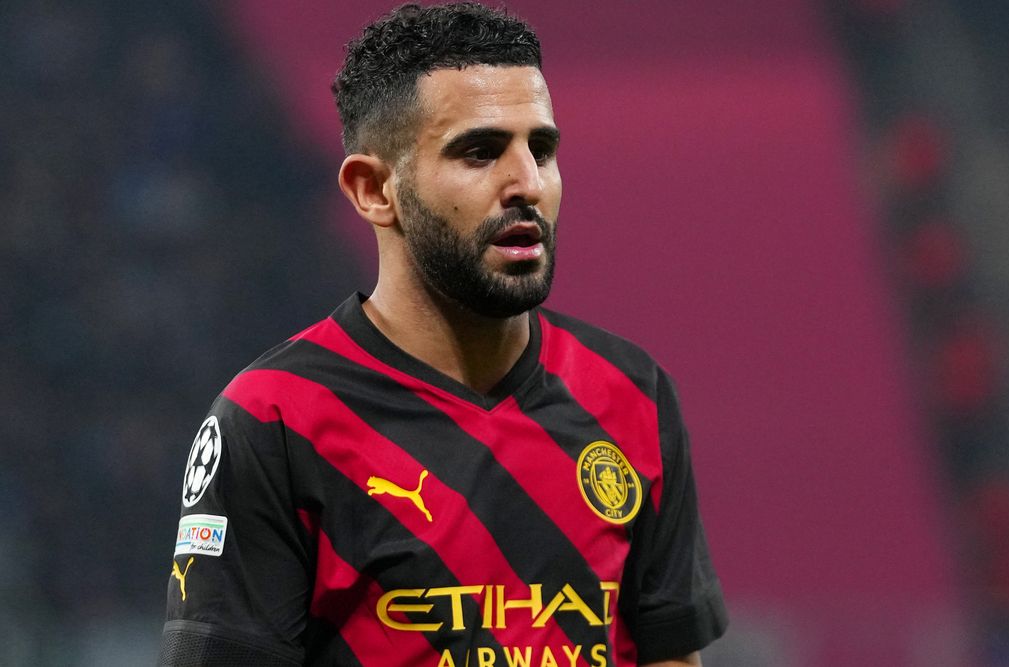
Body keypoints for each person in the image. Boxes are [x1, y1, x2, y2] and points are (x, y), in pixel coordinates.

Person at [160, 3, 727, 665]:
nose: (528, 184)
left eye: (541, 149)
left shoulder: (632, 395)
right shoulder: (273, 421)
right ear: (374, 189)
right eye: (481, 152)